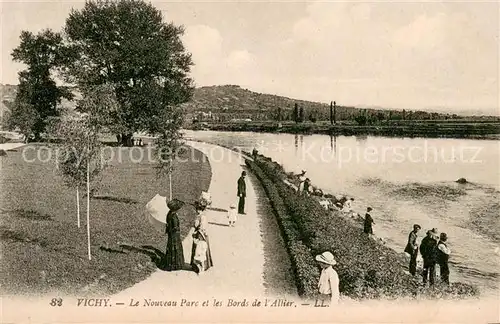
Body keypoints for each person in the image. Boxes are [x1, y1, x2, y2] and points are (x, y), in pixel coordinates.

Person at [191, 201, 213, 272]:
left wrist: (196, 229)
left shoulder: (201, 217)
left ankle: (200, 266)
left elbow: (200, 226)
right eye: (197, 210)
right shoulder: (203, 216)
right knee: (200, 249)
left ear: (200, 210)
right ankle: (200, 265)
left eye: (198, 210)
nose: (197, 211)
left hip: (200, 234)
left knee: (199, 249)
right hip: (201, 233)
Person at [164, 198, 185, 271]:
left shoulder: (169, 213)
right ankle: (176, 264)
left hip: (170, 233)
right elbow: (175, 227)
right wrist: (177, 229)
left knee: (170, 247)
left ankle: (170, 263)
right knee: (175, 247)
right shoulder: (174, 216)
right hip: (175, 235)